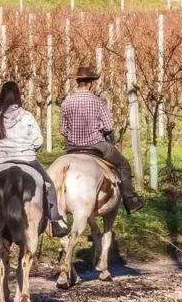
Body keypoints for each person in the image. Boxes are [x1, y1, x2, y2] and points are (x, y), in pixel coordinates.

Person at [0, 81, 70, 239]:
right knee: (49, 187)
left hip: (1, 160)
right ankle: (55, 222)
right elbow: (38, 141)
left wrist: (2, 149)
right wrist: (27, 148)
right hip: (27, 159)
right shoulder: (27, 116)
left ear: (2, 95)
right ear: (18, 96)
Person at [60, 65, 145, 213]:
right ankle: (130, 201)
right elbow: (108, 127)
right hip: (97, 146)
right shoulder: (98, 101)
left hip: (72, 148)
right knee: (124, 164)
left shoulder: (66, 102)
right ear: (91, 83)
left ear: (77, 82)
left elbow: (62, 130)